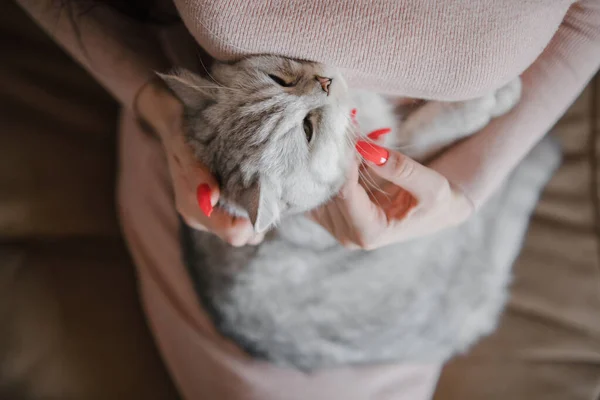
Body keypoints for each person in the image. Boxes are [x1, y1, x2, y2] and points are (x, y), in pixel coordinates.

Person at [15, 0, 600, 399]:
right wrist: (164, 112)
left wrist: (476, 180)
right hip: (259, 195)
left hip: (260, 272)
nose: (321, 86)